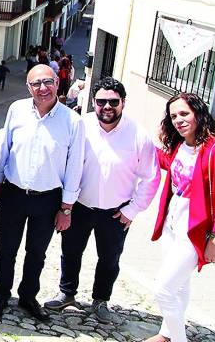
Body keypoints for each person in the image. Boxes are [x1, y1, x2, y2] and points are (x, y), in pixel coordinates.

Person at [44, 77, 160, 323]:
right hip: (80, 206)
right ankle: (66, 293)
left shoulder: (139, 135)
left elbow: (151, 177)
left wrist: (133, 209)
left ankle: (100, 301)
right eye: (101, 101)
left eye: (113, 102)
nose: (107, 107)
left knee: (109, 259)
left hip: (116, 212)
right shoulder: (80, 126)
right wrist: (64, 204)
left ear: (123, 103)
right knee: (71, 252)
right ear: (93, 102)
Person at [0, 64, 85, 322]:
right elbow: (4, 148)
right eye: (36, 84)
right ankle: (0, 294)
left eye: (48, 82)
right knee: (6, 248)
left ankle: (28, 296)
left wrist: (66, 208)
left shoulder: (73, 121)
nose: (43, 88)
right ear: (29, 87)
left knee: (36, 253)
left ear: (57, 83)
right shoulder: (16, 110)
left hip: (48, 199)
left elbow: (75, 166)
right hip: (13, 193)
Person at [144, 93, 215, 342]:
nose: (178, 120)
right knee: (181, 284)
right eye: (174, 116)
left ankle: (178, 339)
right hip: (171, 222)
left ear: (198, 113)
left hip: (195, 228)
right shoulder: (180, 145)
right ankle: (166, 333)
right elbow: (169, 163)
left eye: (184, 113)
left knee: (163, 289)